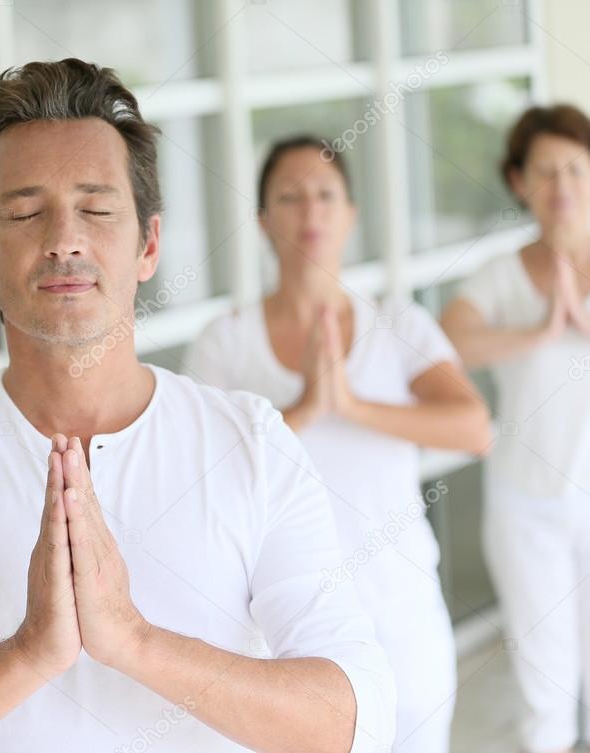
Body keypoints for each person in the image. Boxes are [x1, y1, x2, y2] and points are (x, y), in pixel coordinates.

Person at [0, 59, 395, 753]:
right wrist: (27, 653)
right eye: (24, 211)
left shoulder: (249, 441)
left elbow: (355, 721)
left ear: (149, 244)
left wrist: (134, 640)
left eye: (97, 210)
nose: (64, 239)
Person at [183, 135, 491, 753]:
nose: (310, 211)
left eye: (325, 195)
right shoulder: (225, 341)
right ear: (263, 219)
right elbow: (201, 479)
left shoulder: (399, 324)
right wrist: (304, 409)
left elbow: (473, 426)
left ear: (350, 213)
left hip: (400, 612)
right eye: (290, 197)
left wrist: (350, 405)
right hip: (279, 627)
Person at [441, 104, 590, 753]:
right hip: (526, 505)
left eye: (574, 169)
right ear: (517, 181)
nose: (560, 186)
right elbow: (449, 340)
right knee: (546, 683)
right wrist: (538, 329)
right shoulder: (501, 274)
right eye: (544, 172)